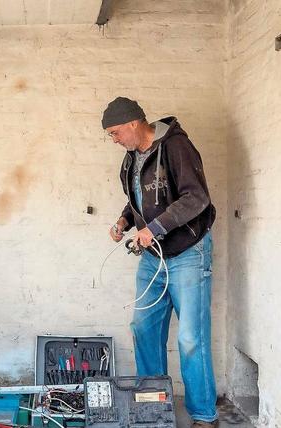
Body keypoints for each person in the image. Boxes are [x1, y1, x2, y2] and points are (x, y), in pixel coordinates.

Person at [102, 97, 219, 427]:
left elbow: (196, 198)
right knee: (143, 328)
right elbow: (138, 200)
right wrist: (125, 221)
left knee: (191, 338)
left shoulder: (177, 146)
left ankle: (204, 415)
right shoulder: (131, 159)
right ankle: (155, 406)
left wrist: (153, 228)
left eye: (115, 132)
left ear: (133, 123)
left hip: (188, 252)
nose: (114, 140)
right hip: (154, 257)